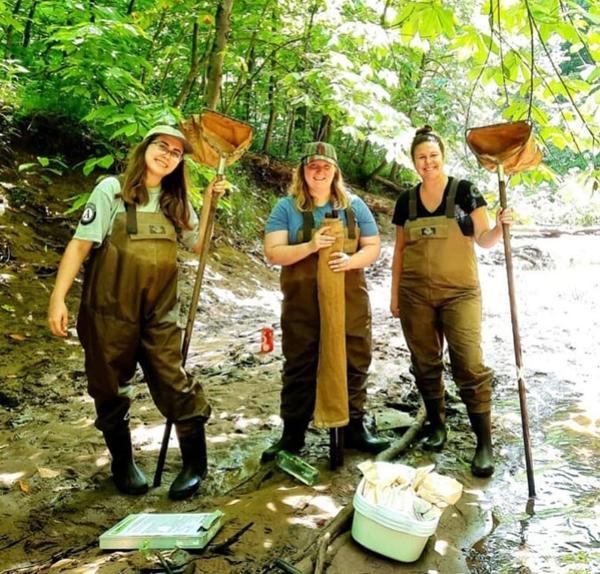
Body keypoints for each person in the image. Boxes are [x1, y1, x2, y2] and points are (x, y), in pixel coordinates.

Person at [48, 125, 226, 500]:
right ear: (146, 148)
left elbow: (196, 246)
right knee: (108, 384)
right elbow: (80, 247)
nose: (167, 155)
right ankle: (123, 463)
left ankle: (195, 463)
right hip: (108, 309)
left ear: (180, 163)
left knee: (172, 377)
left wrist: (209, 202)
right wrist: (58, 298)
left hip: (160, 310)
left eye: (176, 153)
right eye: (162, 146)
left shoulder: (176, 200)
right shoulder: (111, 190)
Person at [390, 125, 512, 478]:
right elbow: (399, 251)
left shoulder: (465, 192)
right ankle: (437, 425)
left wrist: (502, 226)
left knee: (469, 364)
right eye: (421, 158)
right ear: (414, 162)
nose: (428, 162)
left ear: (442, 157)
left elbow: (485, 239)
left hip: (460, 293)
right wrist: (395, 294)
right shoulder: (405, 201)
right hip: (414, 295)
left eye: (433, 156)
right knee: (425, 362)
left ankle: (483, 443)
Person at [262, 141, 389, 461]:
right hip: (302, 302)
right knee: (300, 361)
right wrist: (311, 245)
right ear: (302, 172)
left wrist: (351, 260)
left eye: (326, 167)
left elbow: (373, 246)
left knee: (355, 358)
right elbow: (273, 252)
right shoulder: (286, 208)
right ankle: (292, 434)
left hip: (349, 299)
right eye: (312, 167)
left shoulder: (355, 206)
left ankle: (354, 429)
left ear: (335, 172)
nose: (319, 172)